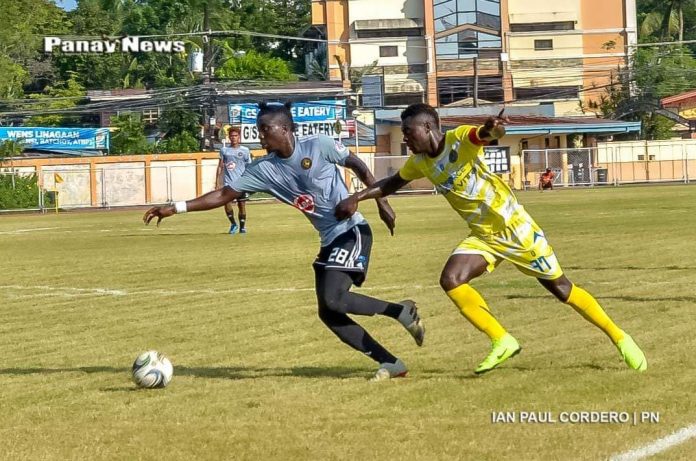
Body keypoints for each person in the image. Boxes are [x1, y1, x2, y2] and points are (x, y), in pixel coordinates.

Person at [335, 103, 646, 374]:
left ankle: (620, 337)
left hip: (515, 229)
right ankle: (502, 340)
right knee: (451, 279)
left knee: (562, 289)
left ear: (427, 126)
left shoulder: (458, 140)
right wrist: (358, 197)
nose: (405, 138)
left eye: (408, 131)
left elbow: (483, 135)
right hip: (484, 236)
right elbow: (392, 183)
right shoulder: (420, 163)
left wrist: (493, 130)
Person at [144, 102, 425, 381]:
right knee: (328, 313)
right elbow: (224, 195)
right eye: (259, 131)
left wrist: (381, 202)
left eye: (266, 130)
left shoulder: (319, 145)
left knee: (333, 298)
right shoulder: (263, 169)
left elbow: (358, 165)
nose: (261, 137)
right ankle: (391, 362)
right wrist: (177, 207)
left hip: (352, 231)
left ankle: (400, 311)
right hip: (329, 239)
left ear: (286, 129)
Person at [216, 126, 252, 233]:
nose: (233, 138)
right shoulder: (224, 150)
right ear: (229, 137)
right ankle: (233, 224)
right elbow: (220, 166)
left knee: (241, 205)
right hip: (228, 183)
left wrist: (248, 181)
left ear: (239, 137)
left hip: (241, 183)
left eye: (235, 136)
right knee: (226, 203)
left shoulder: (245, 150)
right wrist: (218, 181)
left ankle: (242, 227)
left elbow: (249, 167)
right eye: (231, 136)